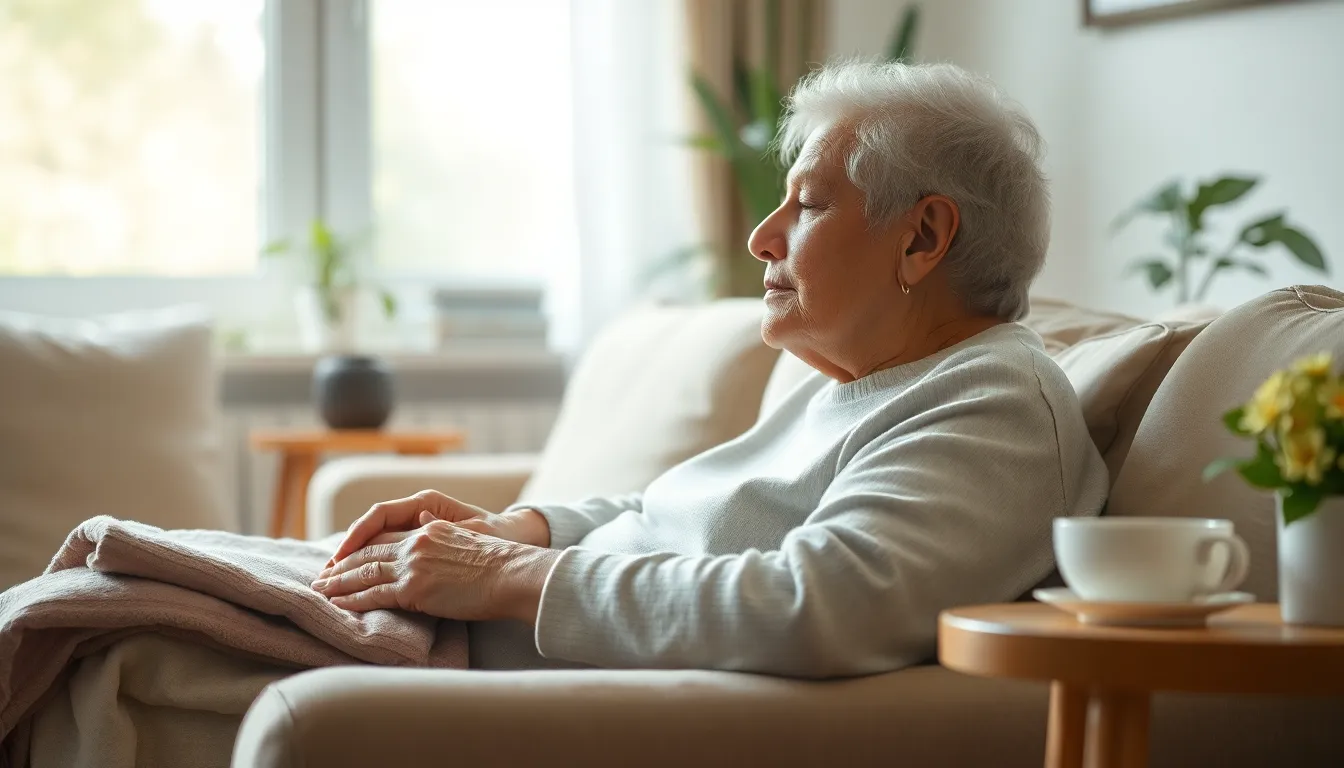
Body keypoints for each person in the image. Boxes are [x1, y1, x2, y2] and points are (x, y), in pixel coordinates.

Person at [311, 61, 1109, 678]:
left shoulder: (992, 407)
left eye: (809, 204)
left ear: (923, 237)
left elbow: (817, 606)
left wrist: (506, 574)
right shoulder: (862, 384)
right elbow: (671, 513)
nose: (762, 236)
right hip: (452, 634)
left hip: (471, 661)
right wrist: (522, 529)